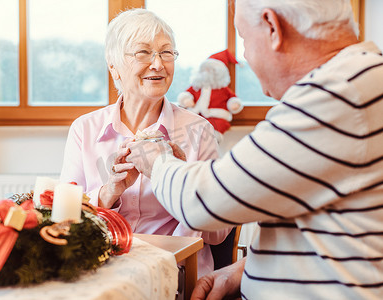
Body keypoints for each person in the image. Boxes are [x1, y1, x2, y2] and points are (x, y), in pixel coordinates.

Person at [126, 0, 383, 299]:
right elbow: (340, 228)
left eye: (245, 39)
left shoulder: (337, 95)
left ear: (273, 27)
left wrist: (158, 160)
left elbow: (205, 203)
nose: (245, 55)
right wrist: (245, 269)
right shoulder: (363, 78)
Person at [60, 8, 230, 277]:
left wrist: (182, 181)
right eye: (143, 52)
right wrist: (109, 192)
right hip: (102, 272)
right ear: (113, 65)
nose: (158, 64)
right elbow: (63, 222)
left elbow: (218, 234)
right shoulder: (85, 130)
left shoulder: (199, 131)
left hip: (178, 274)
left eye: (166, 52)